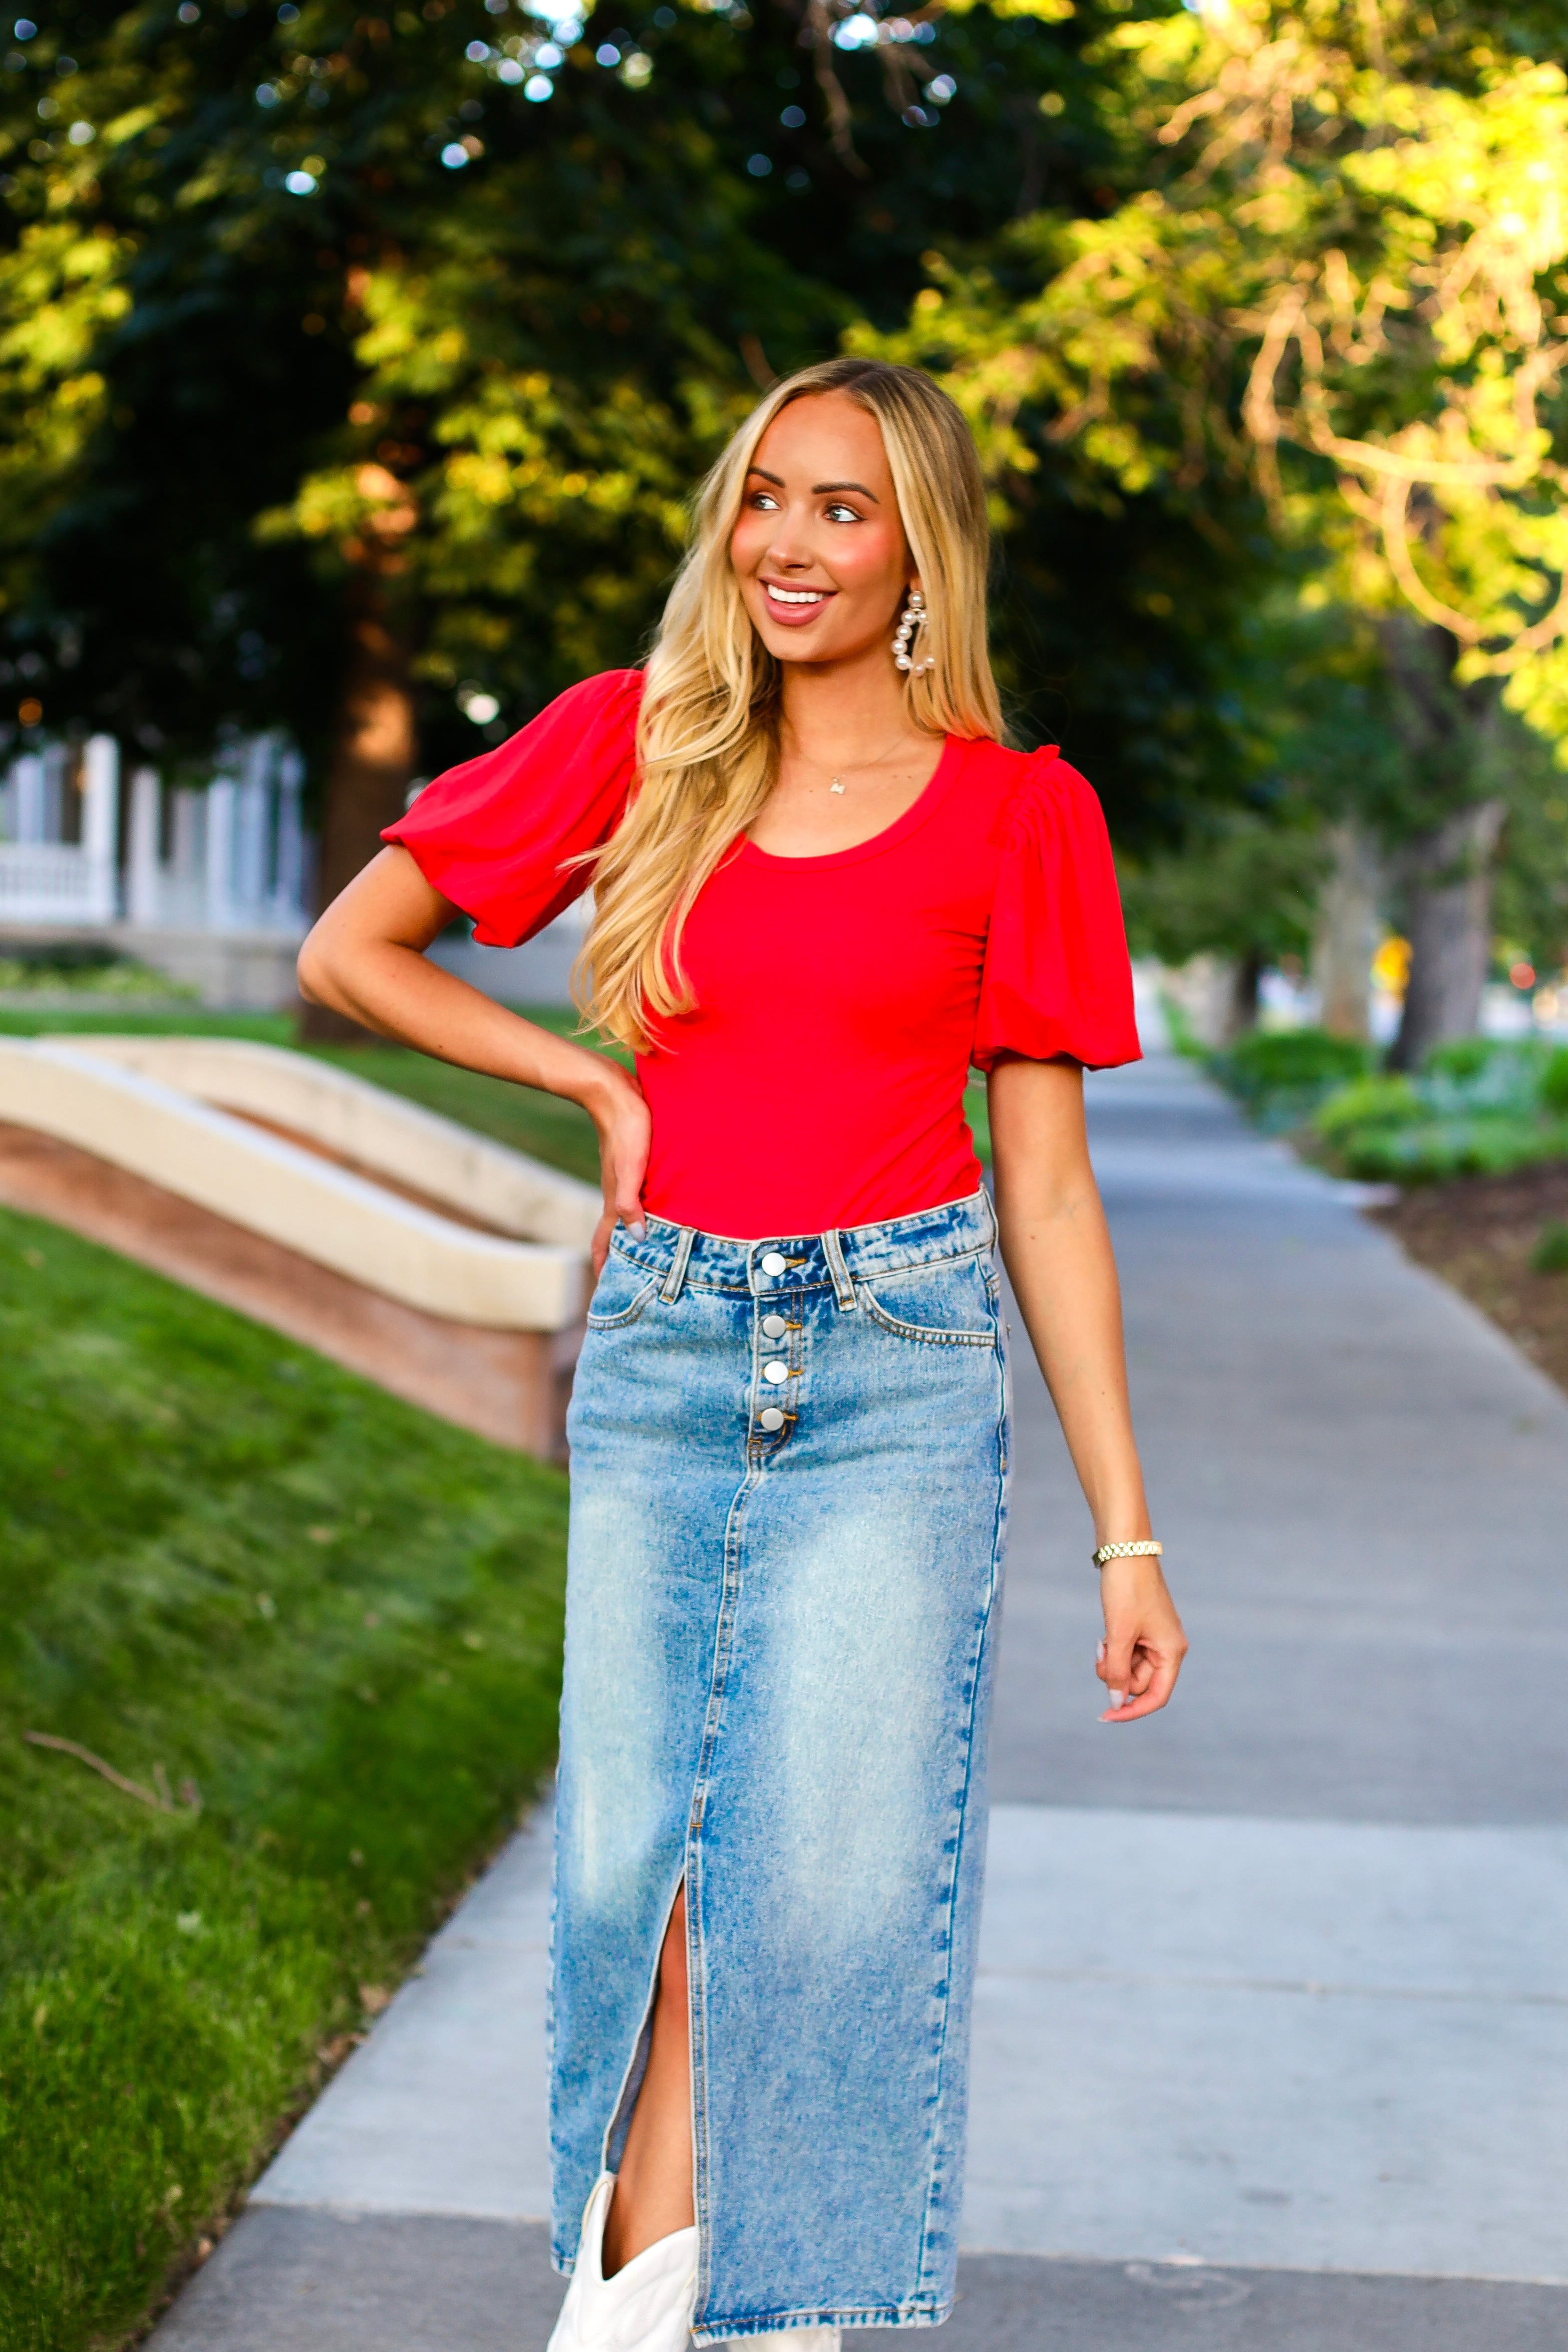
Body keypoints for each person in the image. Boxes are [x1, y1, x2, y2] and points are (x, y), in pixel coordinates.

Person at [298, 355, 1188, 2352]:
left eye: (842, 509)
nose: (787, 543)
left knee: (830, 1890)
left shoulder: (1020, 815)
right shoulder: (637, 747)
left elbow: (1046, 1189)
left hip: (900, 1361)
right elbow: (355, 948)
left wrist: (1130, 1533)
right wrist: (587, 1093)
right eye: (764, 497)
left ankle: (700, 2313)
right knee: (659, 1867)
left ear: (918, 555)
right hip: (677, 1344)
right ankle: (669, 2294)